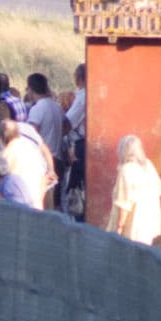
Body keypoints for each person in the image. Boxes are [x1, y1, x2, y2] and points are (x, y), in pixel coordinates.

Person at [107, 134, 161, 245]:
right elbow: (159, 189)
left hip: (133, 226)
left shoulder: (126, 170)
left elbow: (124, 204)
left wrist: (119, 228)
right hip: (149, 222)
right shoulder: (148, 165)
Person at [24, 72, 66, 209]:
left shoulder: (37, 109)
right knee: (57, 202)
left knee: (43, 202)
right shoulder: (57, 106)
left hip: (44, 161)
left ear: (31, 89)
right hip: (58, 157)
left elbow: (31, 135)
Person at [0, 118, 48, 210]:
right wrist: (39, 200)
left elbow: (0, 181)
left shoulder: (7, 153)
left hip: (18, 202)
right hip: (36, 199)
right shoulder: (30, 147)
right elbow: (43, 177)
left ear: (1, 136)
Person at [62, 63, 87, 221]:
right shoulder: (83, 95)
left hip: (81, 144)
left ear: (78, 78)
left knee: (76, 188)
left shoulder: (83, 96)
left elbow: (68, 123)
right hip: (82, 143)